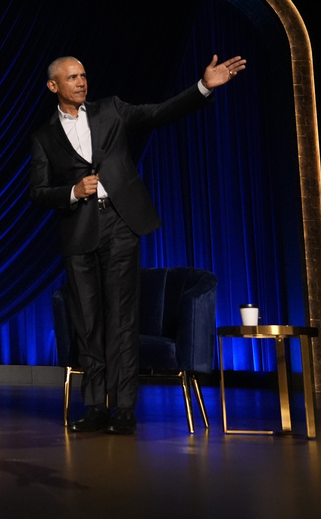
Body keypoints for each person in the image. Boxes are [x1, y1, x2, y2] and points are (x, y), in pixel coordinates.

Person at [28, 53, 246, 434]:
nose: (81, 82)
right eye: (72, 77)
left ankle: (124, 408)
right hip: (79, 233)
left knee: (122, 319)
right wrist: (73, 191)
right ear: (53, 86)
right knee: (88, 323)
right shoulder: (44, 137)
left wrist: (203, 87)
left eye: (83, 75)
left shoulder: (111, 109)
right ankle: (95, 405)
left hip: (120, 224)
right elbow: (38, 192)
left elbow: (157, 113)